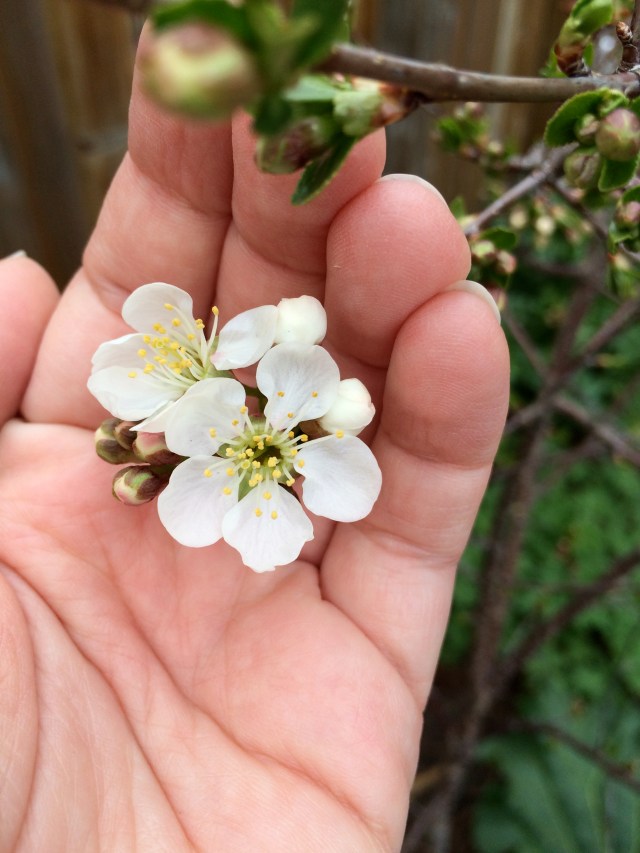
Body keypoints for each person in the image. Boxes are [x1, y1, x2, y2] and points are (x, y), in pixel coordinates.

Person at [0, 33, 509, 852]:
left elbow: (279, 376)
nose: (266, 452)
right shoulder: (207, 405)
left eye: (266, 451)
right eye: (263, 452)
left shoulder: (253, 379)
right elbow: (206, 429)